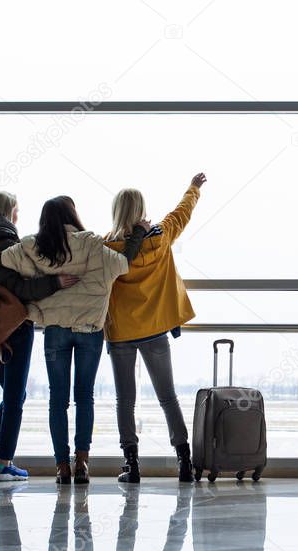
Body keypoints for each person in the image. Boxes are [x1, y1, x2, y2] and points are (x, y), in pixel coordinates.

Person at [0, 196, 148, 485]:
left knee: (58, 400)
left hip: (55, 331)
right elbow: (122, 264)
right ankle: (82, 463)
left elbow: (6, 258)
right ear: (72, 215)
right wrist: (139, 233)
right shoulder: (91, 243)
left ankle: (61, 467)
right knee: (84, 397)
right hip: (90, 331)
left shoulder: (36, 246)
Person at [0, 191, 79, 482]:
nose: (18, 216)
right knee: (15, 398)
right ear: (9, 212)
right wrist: (55, 283)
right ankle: (4, 463)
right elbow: (22, 290)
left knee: (14, 393)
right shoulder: (7, 246)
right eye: (16, 211)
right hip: (15, 328)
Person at [104, 172, 206, 484]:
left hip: (121, 332)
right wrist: (193, 188)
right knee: (168, 397)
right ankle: (184, 461)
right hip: (154, 331)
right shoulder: (161, 237)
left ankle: (131, 464)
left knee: (126, 400)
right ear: (141, 211)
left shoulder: (108, 248)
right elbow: (182, 212)